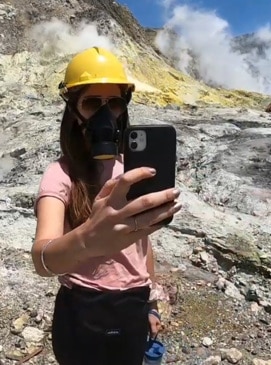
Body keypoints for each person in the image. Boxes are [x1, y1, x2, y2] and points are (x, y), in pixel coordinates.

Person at [30, 47, 182, 365]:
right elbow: (42, 260)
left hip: (133, 307)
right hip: (82, 309)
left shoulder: (132, 170)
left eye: (113, 103)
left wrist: (152, 302)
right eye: (92, 103)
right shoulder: (61, 174)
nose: (105, 114)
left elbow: (142, 244)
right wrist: (88, 240)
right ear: (73, 110)